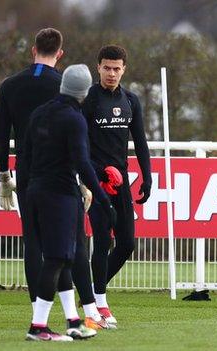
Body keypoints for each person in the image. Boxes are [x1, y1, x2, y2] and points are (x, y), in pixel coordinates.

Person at [0, 28, 108, 333]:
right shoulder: (64, 88)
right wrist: (86, 183)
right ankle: (88, 312)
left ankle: (39, 311)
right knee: (74, 245)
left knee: (33, 242)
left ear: (33, 50)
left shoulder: (10, 85)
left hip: (27, 171)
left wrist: (4, 174)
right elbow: (81, 141)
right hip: (61, 174)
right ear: (60, 54)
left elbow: (2, 135)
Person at [20, 64, 116, 341]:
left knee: (65, 256)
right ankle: (38, 326)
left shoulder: (39, 113)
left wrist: (26, 189)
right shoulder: (74, 119)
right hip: (60, 193)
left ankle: (73, 321)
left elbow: (24, 154)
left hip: (35, 190)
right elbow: (82, 162)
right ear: (84, 91)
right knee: (58, 257)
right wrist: (101, 197)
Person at [83, 45, 152, 327]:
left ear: (124, 69)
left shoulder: (131, 100)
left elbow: (141, 141)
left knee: (126, 244)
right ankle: (99, 303)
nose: (111, 73)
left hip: (121, 181)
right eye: (106, 68)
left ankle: (91, 290)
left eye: (116, 68)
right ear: (98, 67)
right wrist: (99, 171)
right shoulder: (88, 99)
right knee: (102, 240)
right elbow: (80, 144)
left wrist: (147, 176)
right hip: (96, 181)